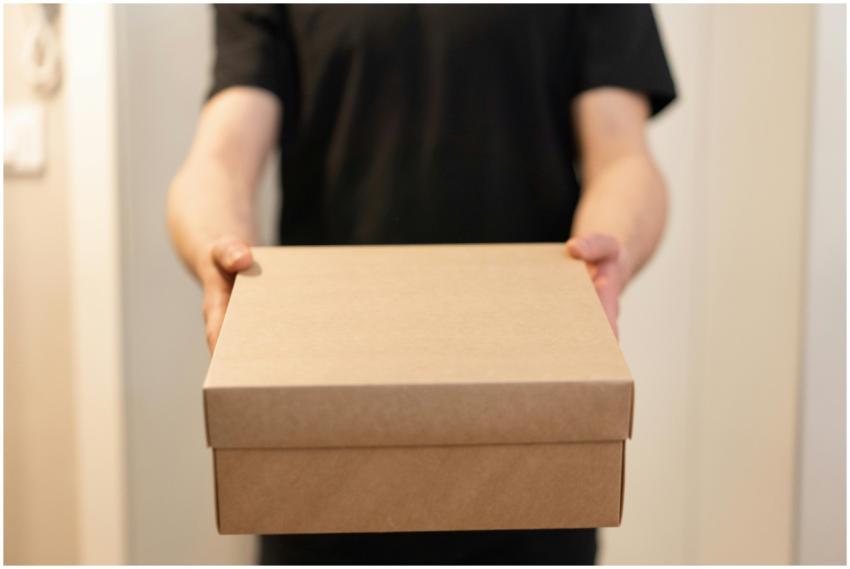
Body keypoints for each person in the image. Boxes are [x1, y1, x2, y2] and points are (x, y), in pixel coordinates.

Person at [167, 4, 675, 564]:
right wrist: (218, 245)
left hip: (533, 443)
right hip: (319, 450)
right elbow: (220, 157)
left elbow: (624, 157)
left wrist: (613, 247)